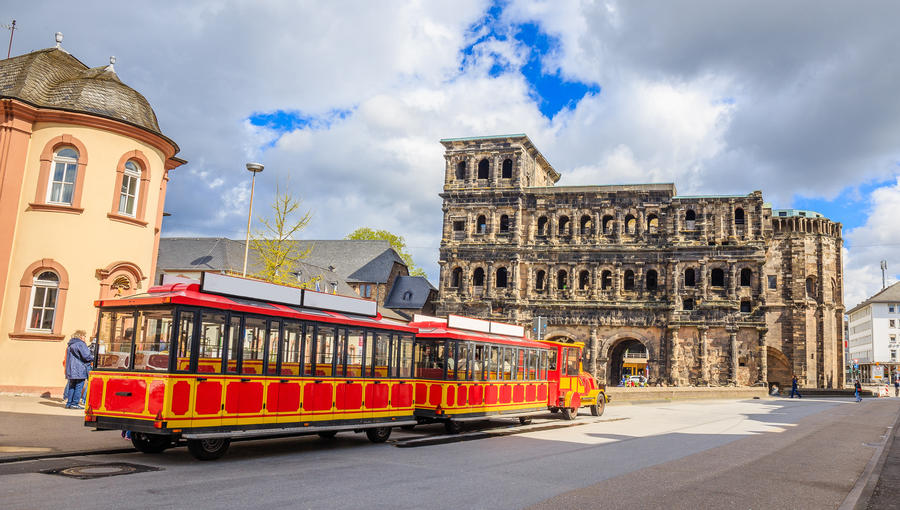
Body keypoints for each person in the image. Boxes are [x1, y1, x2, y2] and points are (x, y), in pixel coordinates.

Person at [65, 330, 94, 409]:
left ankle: (69, 403)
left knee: (72, 386)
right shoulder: (81, 344)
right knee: (79, 386)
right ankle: (75, 403)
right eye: (84, 336)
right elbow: (86, 356)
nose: (85, 338)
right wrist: (94, 358)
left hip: (70, 369)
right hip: (79, 369)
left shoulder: (70, 344)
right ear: (81, 336)